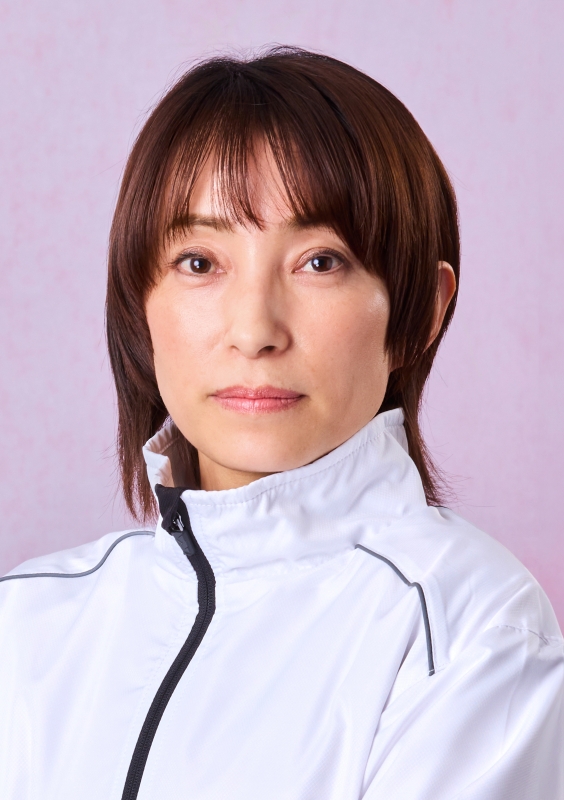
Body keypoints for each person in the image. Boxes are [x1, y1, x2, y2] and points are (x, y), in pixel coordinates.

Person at [0, 47, 562, 800]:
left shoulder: (473, 629)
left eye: (320, 262)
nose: (254, 330)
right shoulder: (24, 623)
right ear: (140, 304)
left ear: (420, 312)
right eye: (199, 262)